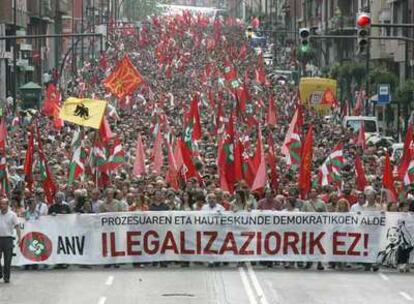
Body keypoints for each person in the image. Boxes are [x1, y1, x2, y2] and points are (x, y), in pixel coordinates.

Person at [0, 197, 21, 283]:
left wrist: (19, 237)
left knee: (7, 259)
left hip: (8, 239)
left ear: (7, 205)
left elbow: (17, 226)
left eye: (4, 204)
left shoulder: (12, 215)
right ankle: (0, 272)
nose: (2, 205)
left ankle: (6, 277)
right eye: (1, 204)